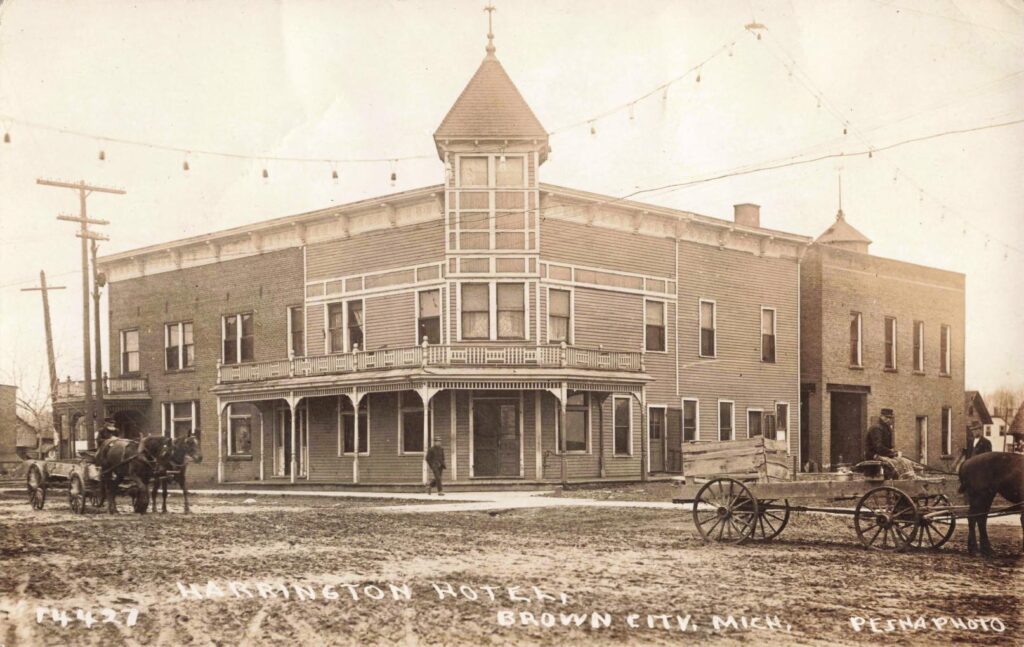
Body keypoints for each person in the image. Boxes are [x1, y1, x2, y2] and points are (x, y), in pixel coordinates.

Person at [865, 408, 916, 479]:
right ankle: (897, 479)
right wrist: (891, 453)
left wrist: (893, 452)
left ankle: (906, 478)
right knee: (894, 463)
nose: (888, 419)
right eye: (886, 417)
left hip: (883, 454)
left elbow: (888, 446)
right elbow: (878, 446)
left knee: (905, 461)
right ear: (881, 416)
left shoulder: (887, 428)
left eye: (890, 418)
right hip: (874, 455)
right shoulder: (876, 428)